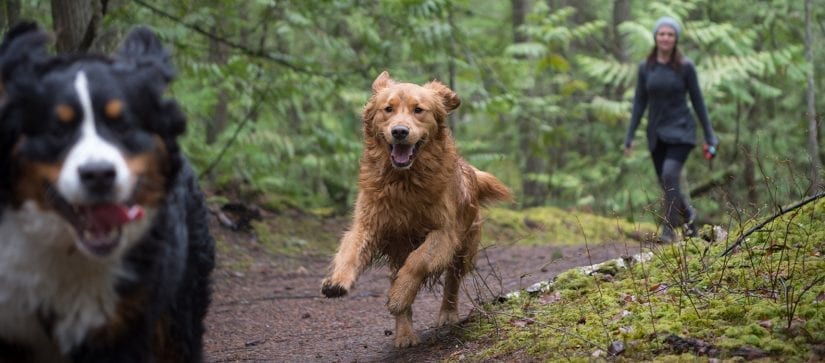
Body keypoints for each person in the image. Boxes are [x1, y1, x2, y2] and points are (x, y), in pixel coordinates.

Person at [623, 16, 719, 242]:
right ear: (656, 37)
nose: (665, 38)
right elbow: (639, 103)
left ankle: (668, 231)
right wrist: (629, 137)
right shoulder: (646, 68)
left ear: (675, 39)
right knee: (668, 183)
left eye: (670, 34)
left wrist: (710, 136)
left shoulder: (686, 67)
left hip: (682, 132)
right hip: (656, 134)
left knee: (669, 175)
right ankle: (691, 221)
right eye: (662, 34)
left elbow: (698, 102)